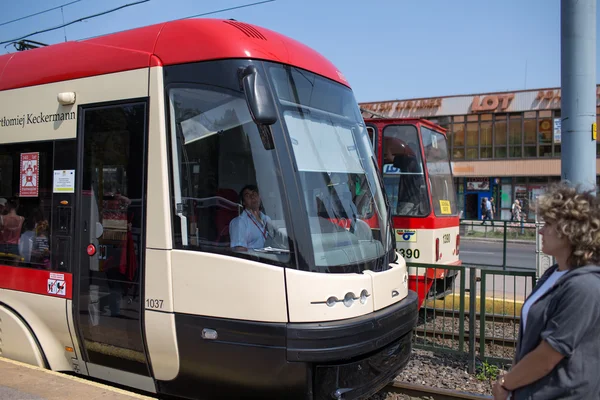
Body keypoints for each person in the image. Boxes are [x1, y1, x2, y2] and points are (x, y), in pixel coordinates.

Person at [492, 182, 600, 400]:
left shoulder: (585, 286)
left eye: (548, 224)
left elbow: (548, 354)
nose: (540, 230)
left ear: (570, 231)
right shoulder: (553, 274)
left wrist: (506, 384)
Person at [229, 185, 272, 251]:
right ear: (243, 202)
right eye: (247, 195)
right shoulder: (240, 222)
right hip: (255, 260)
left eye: (254, 194)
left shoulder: (267, 219)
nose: (252, 197)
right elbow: (240, 251)